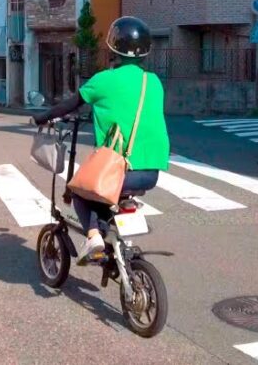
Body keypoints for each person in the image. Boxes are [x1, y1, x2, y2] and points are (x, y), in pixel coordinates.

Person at [33, 16, 171, 264]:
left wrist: (41, 117)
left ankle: (94, 236)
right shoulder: (154, 82)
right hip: (151, 172)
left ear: (113, 46)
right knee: (105, 197)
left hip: (120, 170)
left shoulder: (103, 80)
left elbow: (69, 105)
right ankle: (111, 246)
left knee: (79, 190)